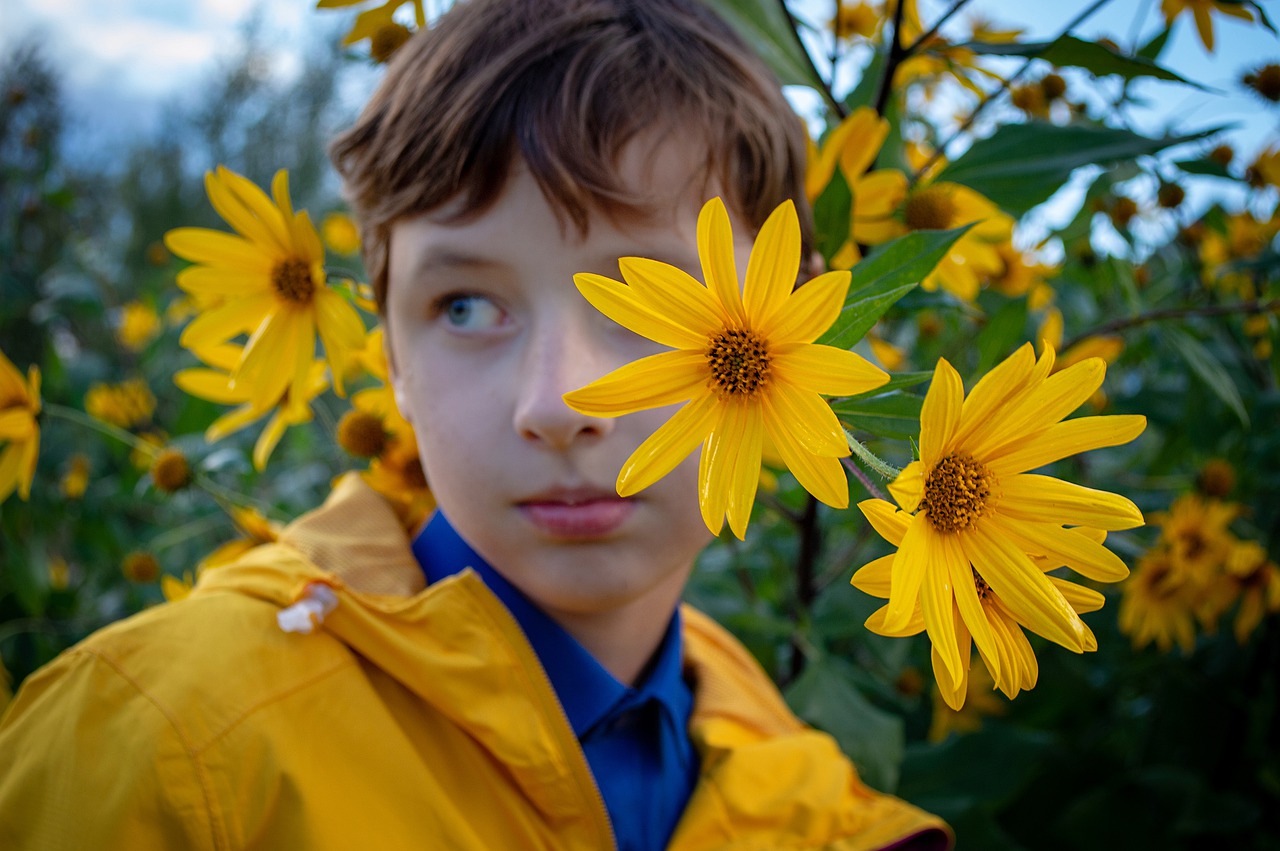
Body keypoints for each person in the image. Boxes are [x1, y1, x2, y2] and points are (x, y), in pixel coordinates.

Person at [0, 1, 952, 848]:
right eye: (465, 306)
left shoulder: (806, 787)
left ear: (811, 311)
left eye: (654, 303)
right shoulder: (157, 748)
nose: (557, 406)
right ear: (390, 359)